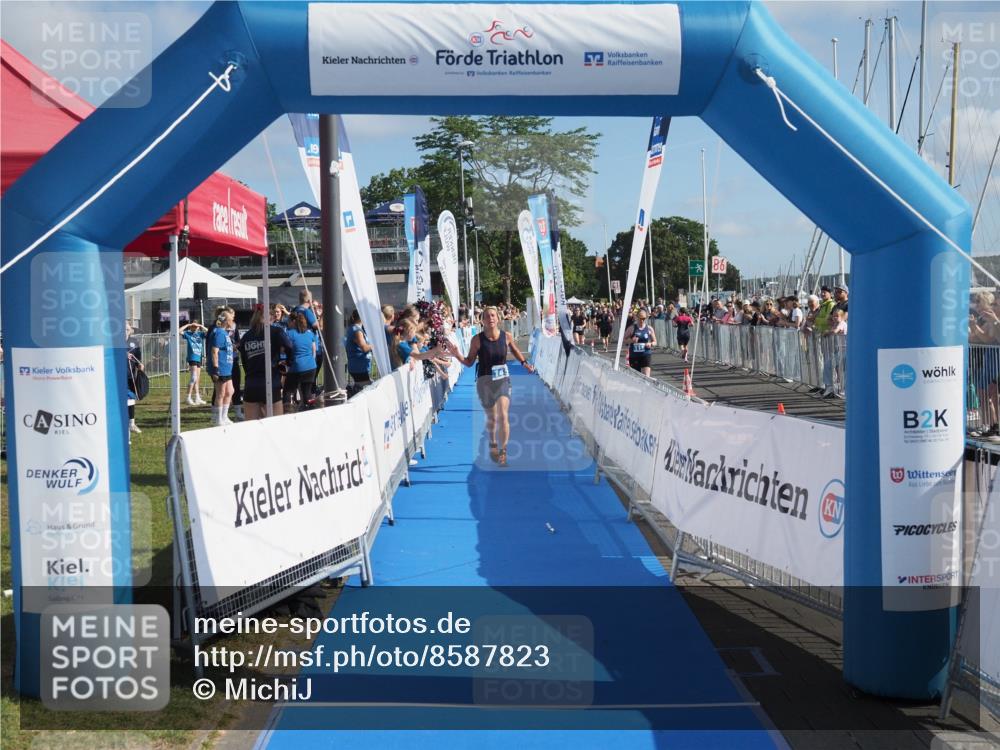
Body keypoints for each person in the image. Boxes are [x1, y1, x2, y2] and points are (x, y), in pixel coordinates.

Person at [445, 306, 533, 467]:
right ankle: (492, 442)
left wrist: (525, 363)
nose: (490, 318)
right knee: (492, 418)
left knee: (503, 415)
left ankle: (503, 451)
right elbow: (469, 363)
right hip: (484, 381)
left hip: (503, 380)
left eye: (493, 315)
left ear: (498, 319)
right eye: (487, 316)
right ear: (482, 320)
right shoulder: (477, 340)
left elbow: (515, 350)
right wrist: (457, 353)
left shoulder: (506, 336)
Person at [239, 305, 293, 420]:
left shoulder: (246, 336)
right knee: (276, 424)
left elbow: (244, 360)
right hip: (271, 381)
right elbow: (289, 347)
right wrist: (288, 362)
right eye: (272, 316)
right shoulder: (276, 331)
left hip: (251, 382)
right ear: (269, 317)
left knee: (252, 425)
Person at [284, 311, 318, 411]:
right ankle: (309, 410)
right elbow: (314, 350)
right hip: (311, 366)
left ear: (293, 322)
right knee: (307, 393)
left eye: (289, 321)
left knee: (288, 391)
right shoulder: (310, 333)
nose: (288, 323)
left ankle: (287, 411)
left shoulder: (290, 333)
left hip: (297, 366)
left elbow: (284, 348)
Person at [207, 311, 235, 425]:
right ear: (226, 321)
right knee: (221, 393)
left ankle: (224, 416)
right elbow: (214, 351)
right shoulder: (218, 332)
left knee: (230, 391)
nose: (232, 322)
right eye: (231, 319)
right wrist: (215, 368)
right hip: (221, 368)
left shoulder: (225, 333)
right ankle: (218, 419)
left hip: (227, 367)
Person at [345, 309, 373, 395]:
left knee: (363, 390)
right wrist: (375, 346)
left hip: (359, 366)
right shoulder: (356, 330)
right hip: (359, 367)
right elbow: (364, 347)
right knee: (365, 391)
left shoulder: (355, 329)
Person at [180, 320, 208, 406]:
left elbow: (209, 332)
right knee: (193, 378)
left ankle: (197, 397)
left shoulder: (200, 334)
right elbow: (179, 331)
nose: (194, 328)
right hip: (192, 357)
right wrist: (188, 325)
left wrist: (200, 325)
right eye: (193, 327)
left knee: (197, 379)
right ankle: (188, 397)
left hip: (198, 357)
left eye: (196, 327)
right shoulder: (188, 334)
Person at [623, 309, 657, 377]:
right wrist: (632, 340)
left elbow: (655, 342)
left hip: (646, 354)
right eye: (640, 318)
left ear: (646, 318)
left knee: (647, 376)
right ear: (637, 317)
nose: (642, 320)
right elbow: (624, 340)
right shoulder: (632, 328)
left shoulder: (649, 328)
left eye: (644, 318)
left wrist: (650, 344)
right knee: (636, 376)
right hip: (634, 356)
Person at [125, 324, 143, 438]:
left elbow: (137, 357)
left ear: (130, 331)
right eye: (123, 329)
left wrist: (140, 364)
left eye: (127, 329)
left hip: (130, 375)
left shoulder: (134, 342)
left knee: (131, 399)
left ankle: (132, 423)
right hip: (118, 376)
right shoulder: (114, 342)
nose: (125, 331)